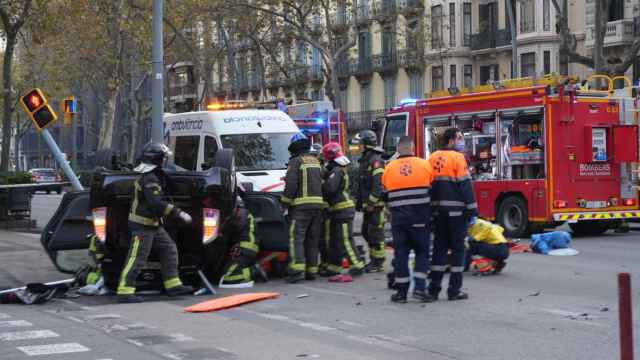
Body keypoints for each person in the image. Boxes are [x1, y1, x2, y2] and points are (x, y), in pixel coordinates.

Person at [117, 142, 194, 303]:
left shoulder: (154, 175)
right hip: (142, 226)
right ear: (158, 159)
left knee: (169, 249)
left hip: (152, 224)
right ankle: (125, 290)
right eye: (164, 158)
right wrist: (179, 213)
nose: (166, 161)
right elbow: (156, 203)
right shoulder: (149, 178)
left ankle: (173, 285)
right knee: (137, 257)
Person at [381, 136, 434, 303]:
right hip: (420, 219)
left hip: (399, 220)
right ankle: (419, 289)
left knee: (401, 254)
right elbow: (433, 189)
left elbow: (385, 194)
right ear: (412, 148)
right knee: (422, 253)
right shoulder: (424, 164)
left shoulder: (389, 168)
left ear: (398, 150)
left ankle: (401, 293)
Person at [428, 128, 478, 301]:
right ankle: (454, 290)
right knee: (458, 252)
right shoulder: (458, 158)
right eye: (459, 138)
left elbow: (429, 187)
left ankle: (433, 290)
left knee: (439, 252)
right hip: (457, 214)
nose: (462, 141)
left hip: (438, 214)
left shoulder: (432, 157)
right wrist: (473, 210)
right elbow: (465, 186)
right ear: (450, 140)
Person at [281, 132, 324, 283]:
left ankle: (296, 272)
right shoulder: (315, 160)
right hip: (317, 207)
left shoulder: (296, 161)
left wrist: (284, 204)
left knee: (296, 239)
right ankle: (311, 271)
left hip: (300, 208)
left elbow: (292, 185)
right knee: (312, 239)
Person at [321, 142, 364, 282]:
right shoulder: (339, 169)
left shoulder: (337, 171)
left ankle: (357, 265)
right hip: (339, 210)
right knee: (335, 241)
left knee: (345, 240)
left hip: (342, 211)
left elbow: (330, 189)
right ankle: (334, 267)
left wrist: (320, 183)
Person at [353, 130, 386, 272]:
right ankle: (374, 259)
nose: (358, 147)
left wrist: (371, 203)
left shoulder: (376, 160)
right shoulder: (366, 160)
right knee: (366, 232)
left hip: (375, 206)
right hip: (368, 206)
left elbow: (378, 185)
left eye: (360, 144)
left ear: (367, 145)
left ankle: (378, 262)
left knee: (375, 233)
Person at [219, 189, 265, 288]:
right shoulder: (241, 213)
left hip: (245, 248)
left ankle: (255, 272)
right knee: (224, 273)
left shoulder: (242, 213)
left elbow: (236, 226)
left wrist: (222, 229)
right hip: (244, 248)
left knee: (228, 278)